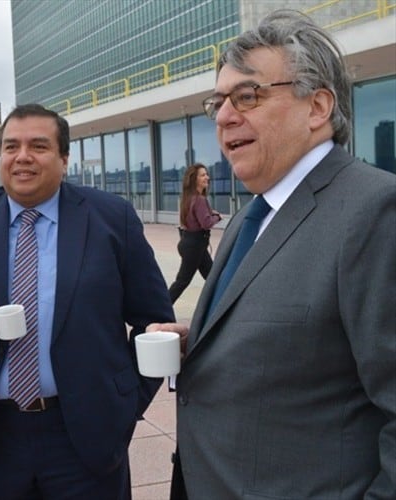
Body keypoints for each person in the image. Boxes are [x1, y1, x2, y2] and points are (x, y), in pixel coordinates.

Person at [158, 10, 396, 499]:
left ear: (318, 107)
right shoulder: (253, 214)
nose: (224, 116)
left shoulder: (377, 212)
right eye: (218, 101)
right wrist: (203, 343)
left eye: (248, 95)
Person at [0, 103, 175, 499]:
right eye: (11, 147)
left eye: (38, 146)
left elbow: (155, 322)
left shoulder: (112, 219)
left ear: (63, 158)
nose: (22, 157)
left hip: (87, 432)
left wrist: (124, 404)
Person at [167, 163, 222, 303]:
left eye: (207, 174)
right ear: (194, 180)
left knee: (213, 278)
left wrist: (210, 213)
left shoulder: (188, 198)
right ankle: (159, 310)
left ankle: (220, 307)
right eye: (203, 175)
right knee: (182, 282)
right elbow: (206, 223)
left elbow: (195, 219)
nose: (207, 178)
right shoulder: (199, 199)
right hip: (194, 247)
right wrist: (217, 217)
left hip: (192, 244)